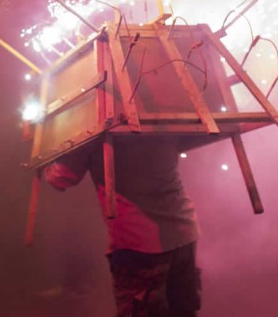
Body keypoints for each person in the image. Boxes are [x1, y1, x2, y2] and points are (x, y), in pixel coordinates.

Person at [43, 135, 201, 317]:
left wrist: (47, 156)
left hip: (139, 241)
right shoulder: (156, 113)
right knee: (183, 311)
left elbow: (61, 176)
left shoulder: (94, 127)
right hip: (185, 231)